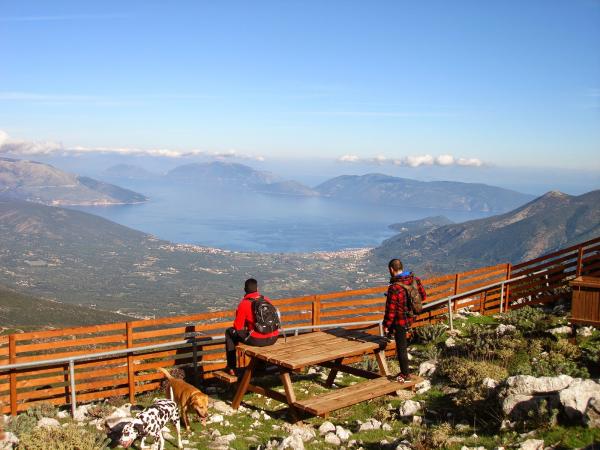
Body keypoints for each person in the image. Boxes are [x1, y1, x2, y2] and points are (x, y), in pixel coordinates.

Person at [383, 258, 427, 383]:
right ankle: (404, 372)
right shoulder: (415, 280)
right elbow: (423, 296)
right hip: (411, 317)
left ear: (391, 270)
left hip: (400, 321)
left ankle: (405, 375)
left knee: (401, 347)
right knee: (403, 345)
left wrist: (386, 325)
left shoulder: (394, 288)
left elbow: (390, 311)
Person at [224, 278, 279, 375]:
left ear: (245, 290)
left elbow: (238, 327)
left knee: (229, 332)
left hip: (258, 339)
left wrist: (246, 331)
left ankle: (232, 367)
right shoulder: (266, 300)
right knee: (257, 334)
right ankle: (260, 366)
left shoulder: (244, 304)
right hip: (273, 337)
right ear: (257, 288)